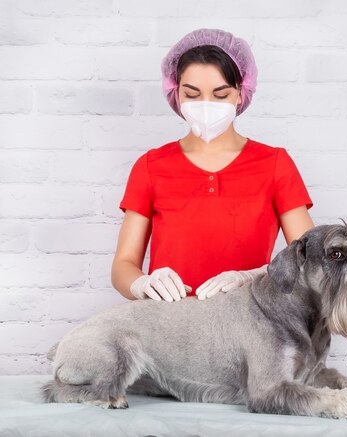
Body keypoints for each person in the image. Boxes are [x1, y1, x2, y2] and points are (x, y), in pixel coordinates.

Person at [111, 28, 314, 303]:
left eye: (220, 95)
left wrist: (256, 276)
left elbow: (312, 260)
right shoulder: (150, 167)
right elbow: (123, 265)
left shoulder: (275, 164)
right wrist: (142, 284)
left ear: (240, 93)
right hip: (168, 328)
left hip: (252, 328)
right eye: (192, 94)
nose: (206, 105)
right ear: (176, 92)